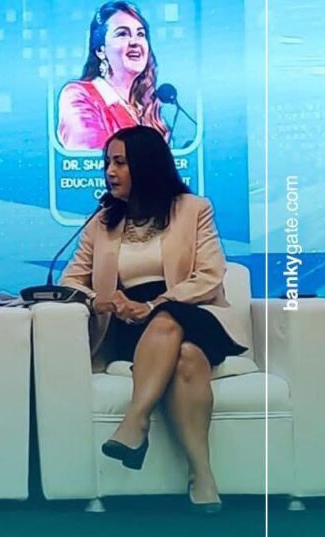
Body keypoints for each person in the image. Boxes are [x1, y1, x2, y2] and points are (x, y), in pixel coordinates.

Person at [60, 125, 247, 514]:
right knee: (187, 358)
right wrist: (104, 301)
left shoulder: (193, 209)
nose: (110, 171)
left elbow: (209, 275)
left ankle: (136, 422)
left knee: (167, 319)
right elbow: (72, 280)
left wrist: (154, 304)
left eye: (120, 163)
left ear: (146, 166)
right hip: (130, 328)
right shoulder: (102, 222)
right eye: (107, 163)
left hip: (190, 312)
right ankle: (202, 476)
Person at [56, 1, 168, 151]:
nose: (135, 42)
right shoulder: (79, 95)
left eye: (140, 34)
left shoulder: (146, 107)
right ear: (100, 50)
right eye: (122, 34)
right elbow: (91, 156)